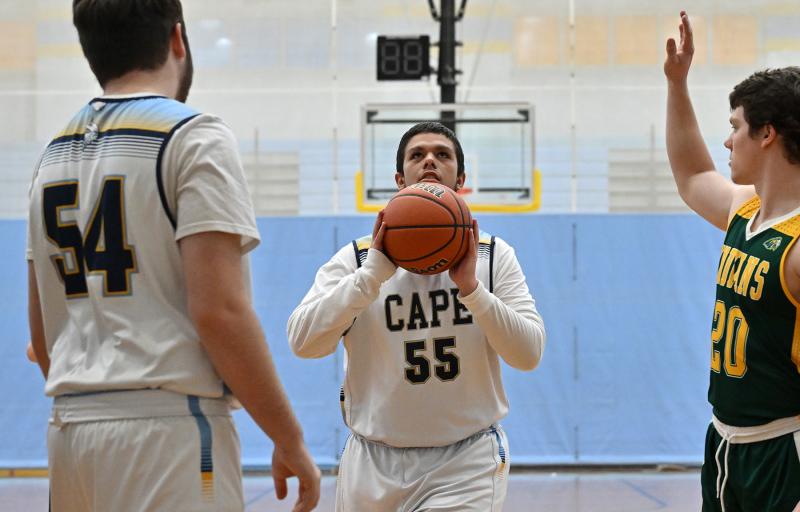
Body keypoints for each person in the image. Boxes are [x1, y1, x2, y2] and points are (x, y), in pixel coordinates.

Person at [26, 1, 320, 510]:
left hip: (70, 432)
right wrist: (288, 437)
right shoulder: (193, 137)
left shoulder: (50, 156)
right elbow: (219, 312)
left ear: (90, 49)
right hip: (169, 433)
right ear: (177, 39)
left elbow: (43, 336)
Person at [287, 121, 546, 511]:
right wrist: (372, 275)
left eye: (442, 155)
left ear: (460, 180)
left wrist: (472, 290)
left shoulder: (493, 256)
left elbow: (528, 353)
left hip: (465, 460)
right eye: (417, 155)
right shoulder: (358, 259)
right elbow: (303, 342)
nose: (429, 161)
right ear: (399, 180)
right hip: (371, 460)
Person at [664, 11, 800, 512]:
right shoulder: (745, 210)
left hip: (783, 448)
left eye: (735, 127)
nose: (727, 141)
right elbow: (691, 174)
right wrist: (677, 84)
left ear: (767, 134)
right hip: (724, 442)